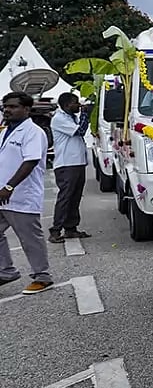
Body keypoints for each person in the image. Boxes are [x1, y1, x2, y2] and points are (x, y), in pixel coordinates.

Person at [0, 91, 52, 294]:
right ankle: (6, 271)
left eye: (13, 106)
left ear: (27, 109)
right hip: (3, 195)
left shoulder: (33, 132)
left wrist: (9, 187)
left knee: (30, 238)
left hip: (21, 195)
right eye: (5, 106)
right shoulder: (5, 131)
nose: (7, 110)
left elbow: (30, 161)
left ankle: (42, 276)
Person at [49, 92, 91, 244]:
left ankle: (70, 228)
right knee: (66, 197)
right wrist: (85, 114)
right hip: (67, 164)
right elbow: (80, 131)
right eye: (75, 102)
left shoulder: (70, 117)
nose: (79, 105)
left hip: (77, 162)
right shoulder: (59, 119)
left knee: (75, 197)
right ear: (67, 105)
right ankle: (55, 230)